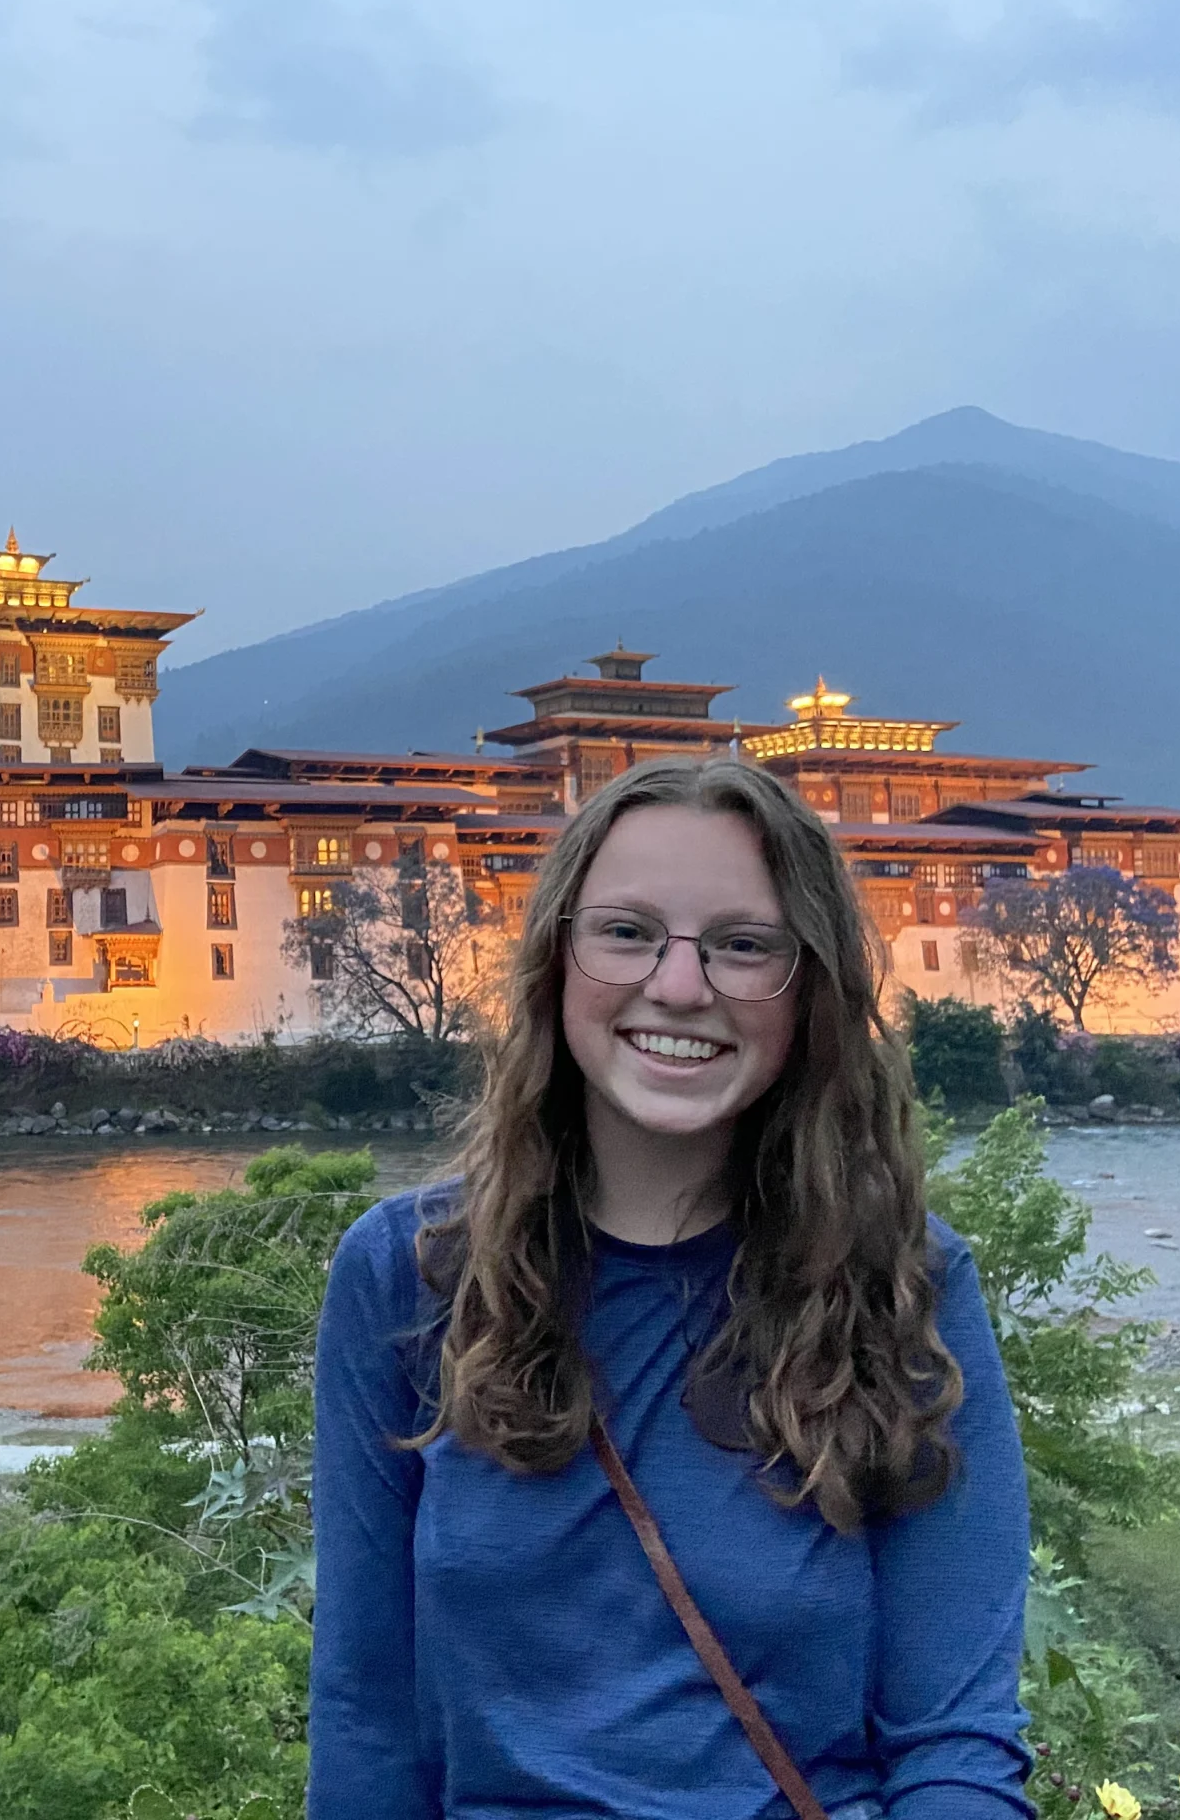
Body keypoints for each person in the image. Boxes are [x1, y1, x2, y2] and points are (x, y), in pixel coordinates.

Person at [310, 758, 1031, 1820]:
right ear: (557, 959)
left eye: (744, 946)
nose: (680, 986)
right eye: (627, 932)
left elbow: (955, 1750)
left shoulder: (902, 1288)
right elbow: (366, 1714)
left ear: (809, 990)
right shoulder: (408, 1281)